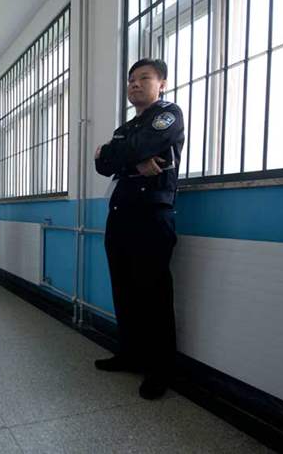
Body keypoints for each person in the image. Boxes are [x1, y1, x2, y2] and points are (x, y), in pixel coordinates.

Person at [94, 59, 184, 400]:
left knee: (154, 296)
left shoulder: (168, 115)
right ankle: (130, 355)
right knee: (125, 289)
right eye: (131, 79)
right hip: (120, 215)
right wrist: (130, 160)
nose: (134, 84)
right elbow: (103, 164)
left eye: (143, 78)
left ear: (161, 83)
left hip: (151, 217)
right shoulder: (127, 127)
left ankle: (160, 371)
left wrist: (119, 155)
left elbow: (126, 151)